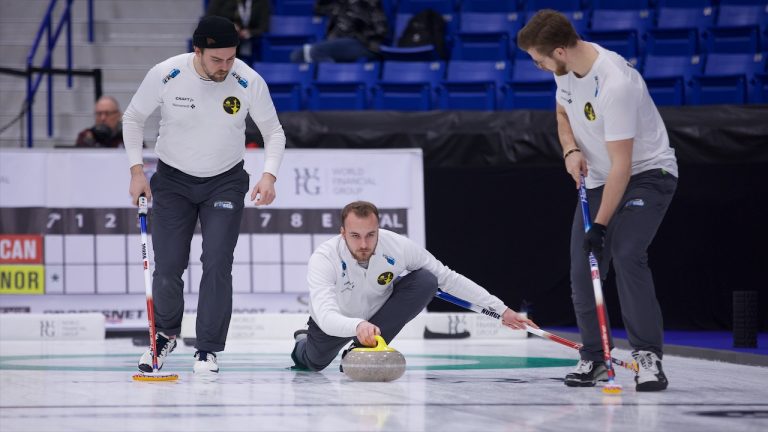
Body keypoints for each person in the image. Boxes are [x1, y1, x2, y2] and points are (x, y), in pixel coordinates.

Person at [517, 10, 678, 392]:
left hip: (647, 176)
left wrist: (601, 226)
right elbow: (562, 112)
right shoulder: (564, 72)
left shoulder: (615, 84)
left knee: (624, 253)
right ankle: (595, 358)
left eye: (538, 58)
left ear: (559, 50)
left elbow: (623, 166)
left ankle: (647, 357)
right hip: (600, 179)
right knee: (582, 269)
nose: (536, 65)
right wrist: (570, 149)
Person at [123, 15, 286, 374]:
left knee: (216, 262)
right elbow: (133, 118)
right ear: (197, 51)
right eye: (217, 60)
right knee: (167, 266)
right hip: (172, 180)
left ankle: (208, 349)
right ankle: (163, 337)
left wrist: (269, 175)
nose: (225, 67)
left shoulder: (247, 80)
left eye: (230, 58)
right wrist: (137, 171)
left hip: (225, 181)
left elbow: (274, 131)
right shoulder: (167, 73)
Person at [290, 200, 538, 371]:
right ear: (343, 233)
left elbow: (447, 277)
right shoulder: (324, 257)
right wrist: (357, 325)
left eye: (371, 235)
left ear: (379, 230)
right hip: (336, 322)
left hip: (376, 320)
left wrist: (500, 310)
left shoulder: (397, 246)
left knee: (427, 280)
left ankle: (359, 351)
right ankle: (303, 342)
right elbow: (325, 314)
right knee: (313, 363)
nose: (364, 244)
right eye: (355, 236)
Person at [289, 0, 388, 63]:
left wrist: (332, 40)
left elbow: (353, 25)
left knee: (315, 51)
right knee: (297, 55)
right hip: (341, 42)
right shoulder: (341, 3)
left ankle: (329, 80)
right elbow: (318, 9)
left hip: (365, 43)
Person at [206, 0, 271, 61]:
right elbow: (209, 19)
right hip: (225, 38)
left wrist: (250, 33)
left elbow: (264, 27)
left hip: (253, 40)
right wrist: (229, 26)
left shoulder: (262, 2)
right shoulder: (222, 2)